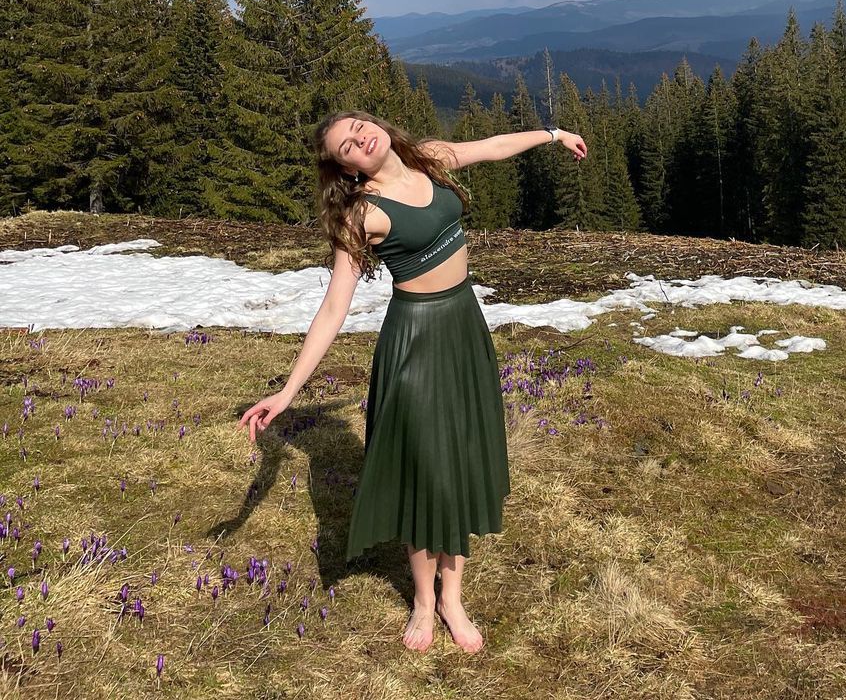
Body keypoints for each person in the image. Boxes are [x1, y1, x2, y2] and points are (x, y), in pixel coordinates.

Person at [239, 110, 587, 653]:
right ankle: (425, 601)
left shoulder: (428, 157)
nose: (360, 139)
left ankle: (453, 597)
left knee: (460, 460)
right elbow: (333, 309)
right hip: (416, 340)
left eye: (358, 127)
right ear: (346, 169)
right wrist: (288, 392)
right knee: (425, 471)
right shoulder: (363, 214)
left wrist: (553, 135)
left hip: (464, 325)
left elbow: (492, 144)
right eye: (346, 146)